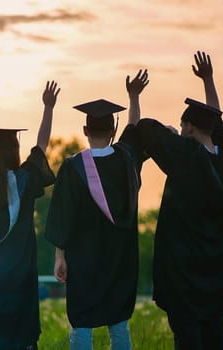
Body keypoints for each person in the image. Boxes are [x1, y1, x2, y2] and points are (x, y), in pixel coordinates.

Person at [135, 51, 223, 349]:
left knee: (187, 339)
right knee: (214, 335)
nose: (181, 131)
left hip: (183, 272)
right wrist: (209, 80)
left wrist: (172, 134)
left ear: (190, 127)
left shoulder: (187, 156)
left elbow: (145, 128)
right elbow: (216, 122)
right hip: (216, 269)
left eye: (183, 127)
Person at [45, 70, 149, 350]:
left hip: (84, 259)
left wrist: (60, 257)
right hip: (120, 259)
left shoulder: (73, 167)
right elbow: (136, 132)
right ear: (114, 130)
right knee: (118, 323)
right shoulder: (126, 160)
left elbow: (62, 216)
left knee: (81, 322)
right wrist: (134, 96)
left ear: (85, 131)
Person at [0, 81, 58, 350]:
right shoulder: (24, 181)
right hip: (18, 285)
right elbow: (41, 148)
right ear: (15, 151)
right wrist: (48, 108)